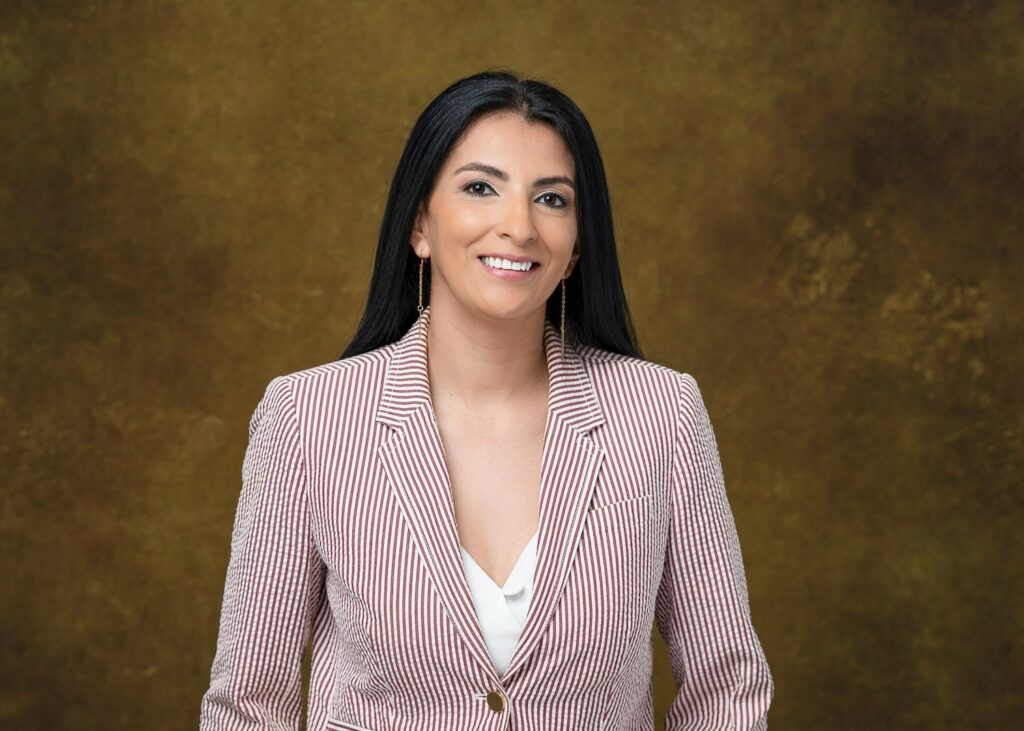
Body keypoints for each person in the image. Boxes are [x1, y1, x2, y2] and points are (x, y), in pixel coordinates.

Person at [199, 69, 773, 730]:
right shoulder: (307, 419)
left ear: (578, 242)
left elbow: (727, 687)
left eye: (552, 199)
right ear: (419, 222)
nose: (518, 226)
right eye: (480, 188)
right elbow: (248, 702)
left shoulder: (661, 414)